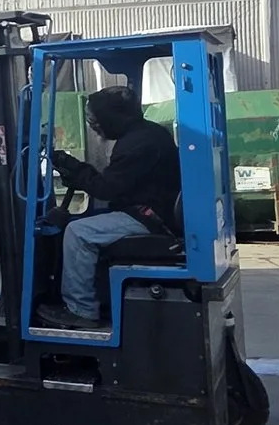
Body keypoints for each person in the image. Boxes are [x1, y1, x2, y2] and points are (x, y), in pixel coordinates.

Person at [40, 85, 182, 330]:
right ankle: (96, 297)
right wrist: (76, 170)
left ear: (112, 118)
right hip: (147, 209)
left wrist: (77, 171)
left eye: (97, 120)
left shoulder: (137, 144)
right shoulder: (146, 134)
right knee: (82, 222)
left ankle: (81, 310)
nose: (95, 126)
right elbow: (117, 181)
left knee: (78, 233)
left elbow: (107, 189)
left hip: (149, 216)